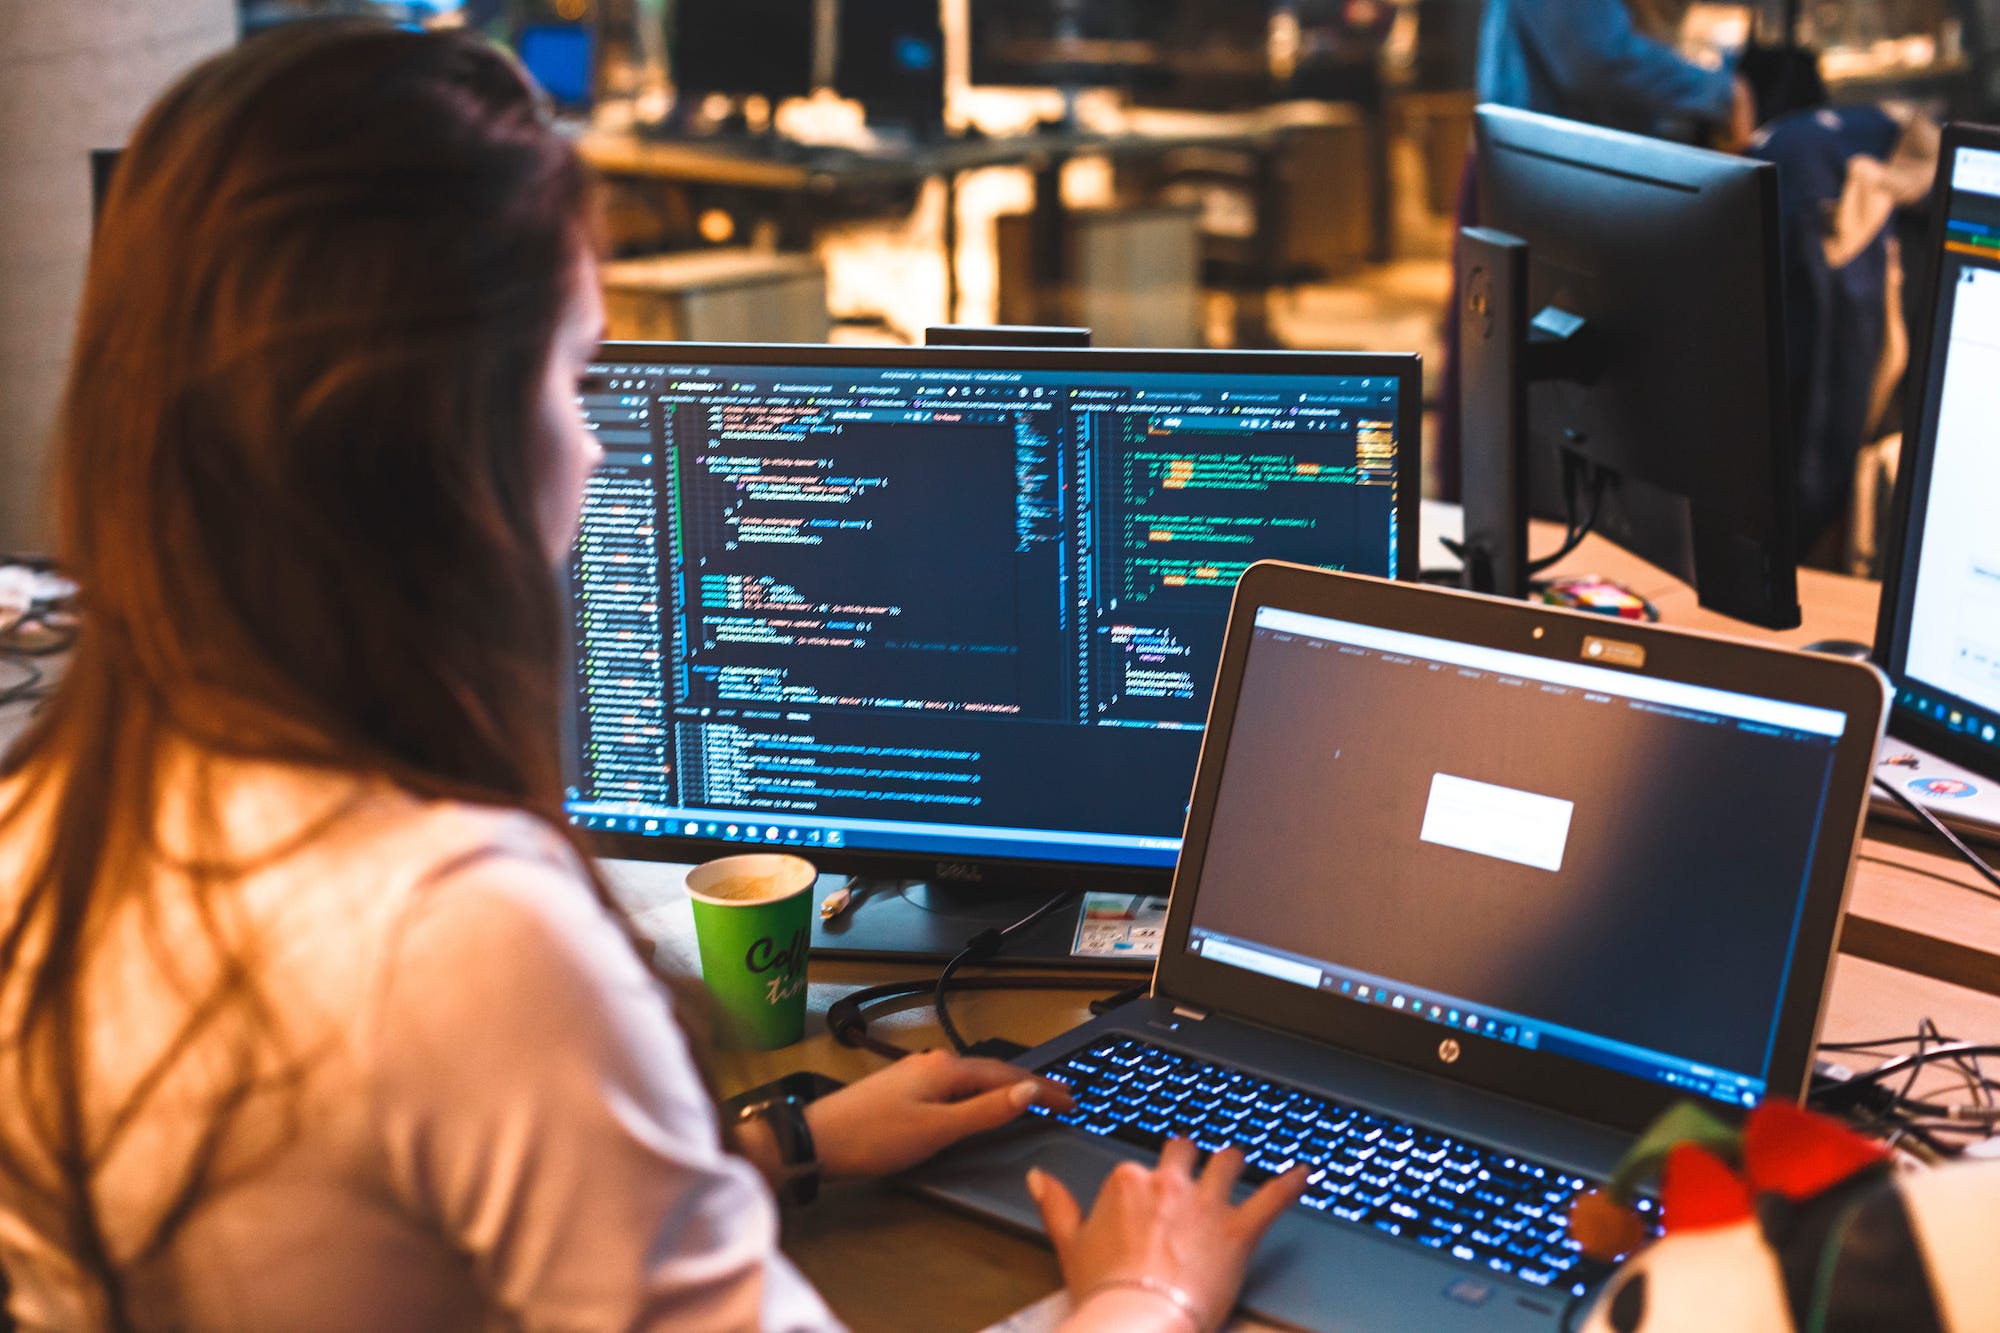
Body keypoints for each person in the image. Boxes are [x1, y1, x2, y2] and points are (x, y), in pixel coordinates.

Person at [0, 21, 1302, 1333]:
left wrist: (777, 1149)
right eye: (577, 377)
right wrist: (1151, 1294)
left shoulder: (41, 829)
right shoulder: (460, 938)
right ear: (452, 449)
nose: (599, 452)